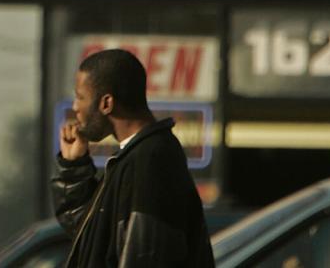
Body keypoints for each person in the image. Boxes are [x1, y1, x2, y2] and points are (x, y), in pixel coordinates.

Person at [51, 48, 214, 267]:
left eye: (80, 97)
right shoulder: (135, 157)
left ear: (106, 103)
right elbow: (94, 238)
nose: (75, 107)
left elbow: (146, 256)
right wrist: (74, 167)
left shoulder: (150, 161)